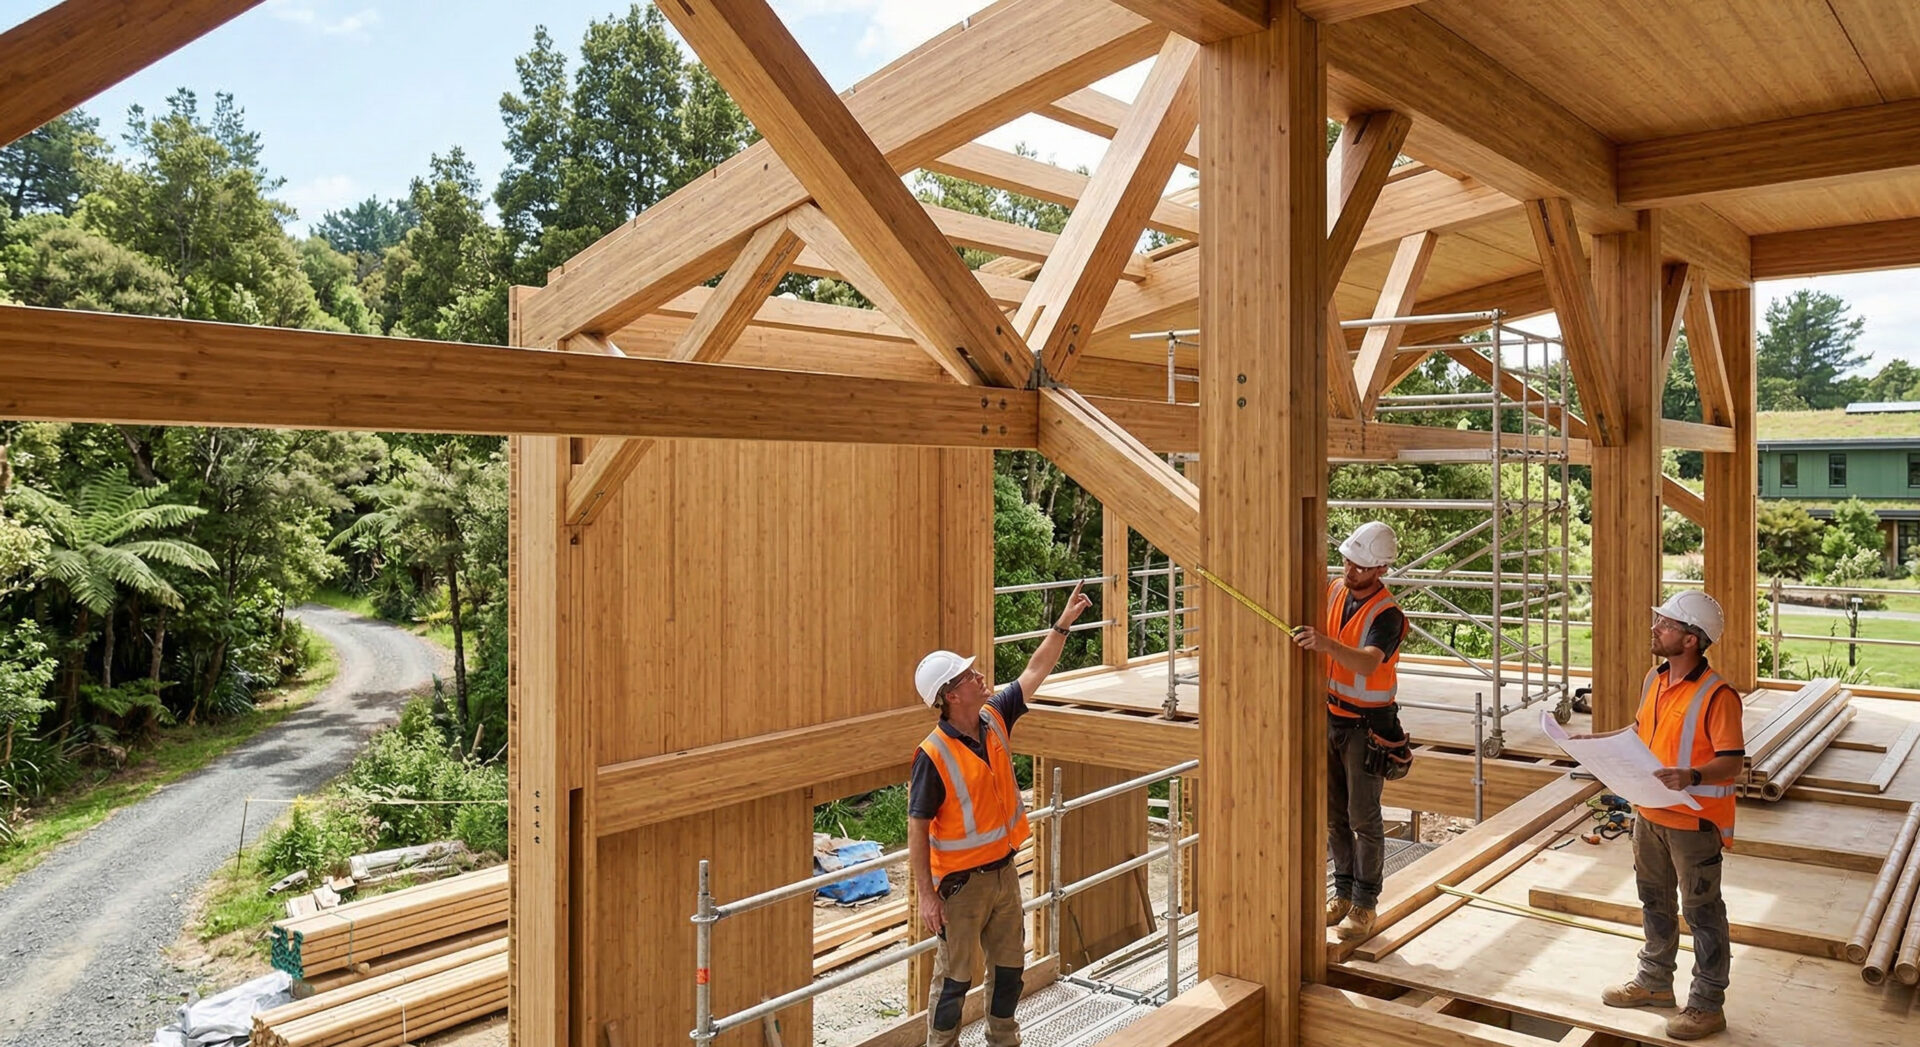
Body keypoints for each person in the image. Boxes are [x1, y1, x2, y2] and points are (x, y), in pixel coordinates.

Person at [908, 581, 1093, 1047]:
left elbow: (1036, 670)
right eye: (969, 675)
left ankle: (1003, 1040)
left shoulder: (993, 716)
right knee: (953, 983)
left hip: (1004, 875)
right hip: (960, 888)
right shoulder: (932, 755)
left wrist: (1063, 624)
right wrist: (927, 897)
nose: (979, 675)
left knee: (1010, 972)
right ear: (951, 695)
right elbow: (917, 828)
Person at [1602, 590, 1743, 1041]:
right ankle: (1655, 983)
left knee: (1702, 913)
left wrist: (1693, 774)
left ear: (1690, 640)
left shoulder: (1718, 695)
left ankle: (1706, 1005)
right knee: (1654, 902)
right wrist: (1599, 743)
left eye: (1665, 624)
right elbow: (1646, 735)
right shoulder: (1654, 679)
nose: (1655, 628)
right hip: (1650, 814)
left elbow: (1734, 762)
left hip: (1694, 822)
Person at [1291, 520, 1409, 943]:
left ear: (1379, 570)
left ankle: (1365, 904)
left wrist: (1325, 645)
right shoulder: (1335, 590)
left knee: (1364, 817)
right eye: (1348, 561)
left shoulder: (1388, 615)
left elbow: (1367, 663)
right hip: (1332, 717)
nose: (1350, 570)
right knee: (1334, 815)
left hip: (1367, 727)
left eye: (1360, 566)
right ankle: (1342, 893)